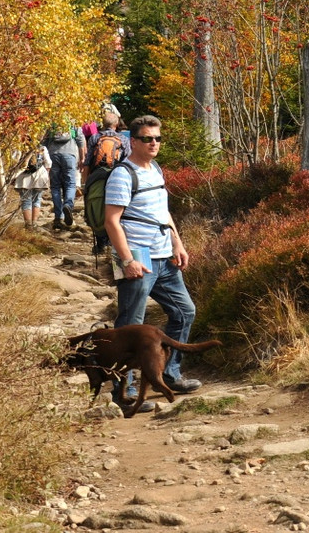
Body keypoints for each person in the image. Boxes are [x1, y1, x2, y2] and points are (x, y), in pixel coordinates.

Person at [103, 115, 201, 403]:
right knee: (130, 326)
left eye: (157, 138)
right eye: (147, 138)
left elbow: (163, 212)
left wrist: (177, 243)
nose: (154, 143)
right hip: (138, 258)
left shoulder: (156, 168)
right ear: (133, 141)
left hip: (164, 258)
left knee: (185, 312)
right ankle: (125, 390)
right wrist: (127, 260)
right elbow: (111, 221)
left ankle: (168, 374)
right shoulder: (122, 174)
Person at [44, 122, 83, 229]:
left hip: (53, 154)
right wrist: (82, 158)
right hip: (70, 155)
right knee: (70, 184)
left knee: (55, 186)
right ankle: (68, 205)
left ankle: (58, 217)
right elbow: (80, 140)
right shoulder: (74, 120)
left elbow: (44, 140)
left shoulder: (51, 119)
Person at [11, 145, 52, 230]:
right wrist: (47, 175)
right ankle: (35, 223)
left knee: (26, 201)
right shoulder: (42, 148)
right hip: (39, 175)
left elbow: (13, 161)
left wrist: (13, 175)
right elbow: (48, 162)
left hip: (23, 176)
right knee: (37, 199)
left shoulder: (19, 147)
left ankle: (28, 225)